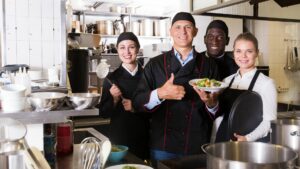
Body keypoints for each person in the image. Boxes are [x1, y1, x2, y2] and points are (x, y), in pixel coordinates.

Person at [133, 12, 219, 165]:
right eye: (178, 27)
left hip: (197, 145)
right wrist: (160, 93)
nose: (183, 32)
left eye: (188, 27)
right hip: (163, 145)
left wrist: (212, 104)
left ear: (196, 31)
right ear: (170, 31)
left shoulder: (209, 65)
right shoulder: (155, 64)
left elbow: (219, 110)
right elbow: (137, 102)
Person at [196, 32, 277, 142]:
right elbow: (219, 116)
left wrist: (247, 139)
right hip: (223, 140)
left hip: (249, 145)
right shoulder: (226, 81)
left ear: (257, 53)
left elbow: (270, 123)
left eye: (249, 51)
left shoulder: (267, 83)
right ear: (233, 53)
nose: (243, 56)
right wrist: (210, 105)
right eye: (238, 51)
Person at [98, 32, 150, 160]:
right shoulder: (111, 78)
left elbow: (157, 108)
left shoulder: (148, 75)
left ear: (137, 48)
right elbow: (103, 113)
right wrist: (114, 99)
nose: (127, 51)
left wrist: (136, 107)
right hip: (120, 137)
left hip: (145, 136)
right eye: (122, 47)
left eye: (131, 47)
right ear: (117, 50)